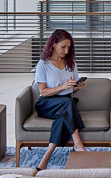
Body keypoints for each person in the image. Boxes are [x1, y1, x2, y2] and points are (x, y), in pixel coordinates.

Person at [33, 29, 88, 169]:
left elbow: (71, 88)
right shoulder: (43, 64)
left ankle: (46, 157)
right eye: (63, 47)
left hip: (65, 102)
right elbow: (43, 92)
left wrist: (77, 86)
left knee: (62, 116)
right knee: (68, 103)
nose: (66, 51)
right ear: (53, 45)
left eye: (68, 47)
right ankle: (78, 144)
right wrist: (62, 87)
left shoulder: (71, 64)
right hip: (47, 104)